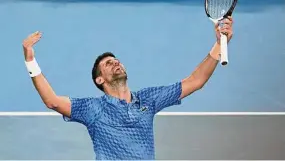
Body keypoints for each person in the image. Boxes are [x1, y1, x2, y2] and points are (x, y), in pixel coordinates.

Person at [22, 16, 233, 160]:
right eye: (108, 64)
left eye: (116, 60)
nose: (115, 63)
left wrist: (219, 44)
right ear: (100, 81)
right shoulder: (93, 109)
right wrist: (30, 60)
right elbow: (52, 100)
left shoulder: (148, 100)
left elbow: (195, 81)